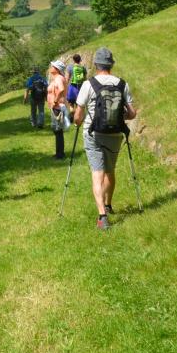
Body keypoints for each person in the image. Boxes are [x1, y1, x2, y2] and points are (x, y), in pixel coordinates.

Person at [73, 47, 137, 230]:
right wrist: (119, 117)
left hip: (93, 133)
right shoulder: (122, 84)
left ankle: (102, 216)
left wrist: (78, 122)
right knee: (110, 171)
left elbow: (78, 116)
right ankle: (108, 205)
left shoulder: (88, 84)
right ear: (111, 64)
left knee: (97, 173)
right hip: (115, 134)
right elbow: (132, 114)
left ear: (95, 64)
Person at [46, 60, 69, 159]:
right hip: (56, 107)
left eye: (53, 66)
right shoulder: (57, 78)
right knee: (57, 131)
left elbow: (61, 89)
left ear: (57, 69)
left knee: (58, 131)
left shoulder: (59, 78)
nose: (51, 67)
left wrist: (55, 101)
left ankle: (60, 154)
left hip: (57, 107)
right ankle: (59, 153)